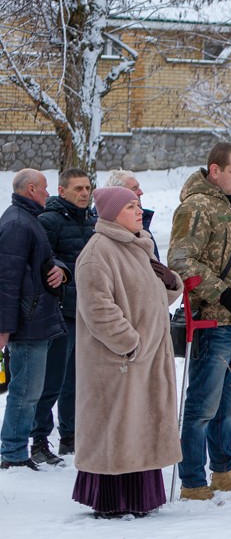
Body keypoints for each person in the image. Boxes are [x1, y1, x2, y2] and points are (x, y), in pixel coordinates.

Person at [71, 186, 182, 518]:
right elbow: (99, 310)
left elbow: (154, 301)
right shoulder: (97, 253)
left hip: (143, 362)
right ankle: (111, 500)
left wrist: (171, 282)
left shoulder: (137, 248)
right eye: (131, 206)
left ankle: (139, 497)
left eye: (138, 205)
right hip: (116, 364)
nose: (138, 211)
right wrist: (131, 345)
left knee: (138, 431)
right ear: (112, 214)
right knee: (115, 433)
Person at [169, 142, 231, 500]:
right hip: (212, 320)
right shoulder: (196, 206)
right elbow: (181, 260)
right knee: (203, 405)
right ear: (215, 170)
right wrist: (223, 293)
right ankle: (192, 479)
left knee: (227, 404)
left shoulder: (227, 205)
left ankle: (222, 469)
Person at [0, 169, 69, 471]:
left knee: (30, 391)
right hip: (28, 323)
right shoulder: (17, 223)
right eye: (44, 188)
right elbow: (7, 279)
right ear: (30, 189)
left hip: (36, 319)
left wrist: (60, 269)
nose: (48, 193)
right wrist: (4, 327)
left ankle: (16, 449)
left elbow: (45, 259)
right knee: (24, 392)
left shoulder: (28, 219)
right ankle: (13, 453)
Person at [31, 168, 94, 465]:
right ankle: (39, 439)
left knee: (78, 380)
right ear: (62, 191)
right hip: (61, 312)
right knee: (52, 380)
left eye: (87, 188)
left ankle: (71, 436)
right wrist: (58, 267)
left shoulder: (93, 221)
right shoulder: (49, 221)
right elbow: (42, 257)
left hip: (89, 312)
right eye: (78, 188)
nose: (84, 193)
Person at [107, 170, 158, 257]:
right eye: (134, 188)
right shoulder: (104, 227)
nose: (141, 192)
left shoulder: (140, 221)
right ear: (118, 193)